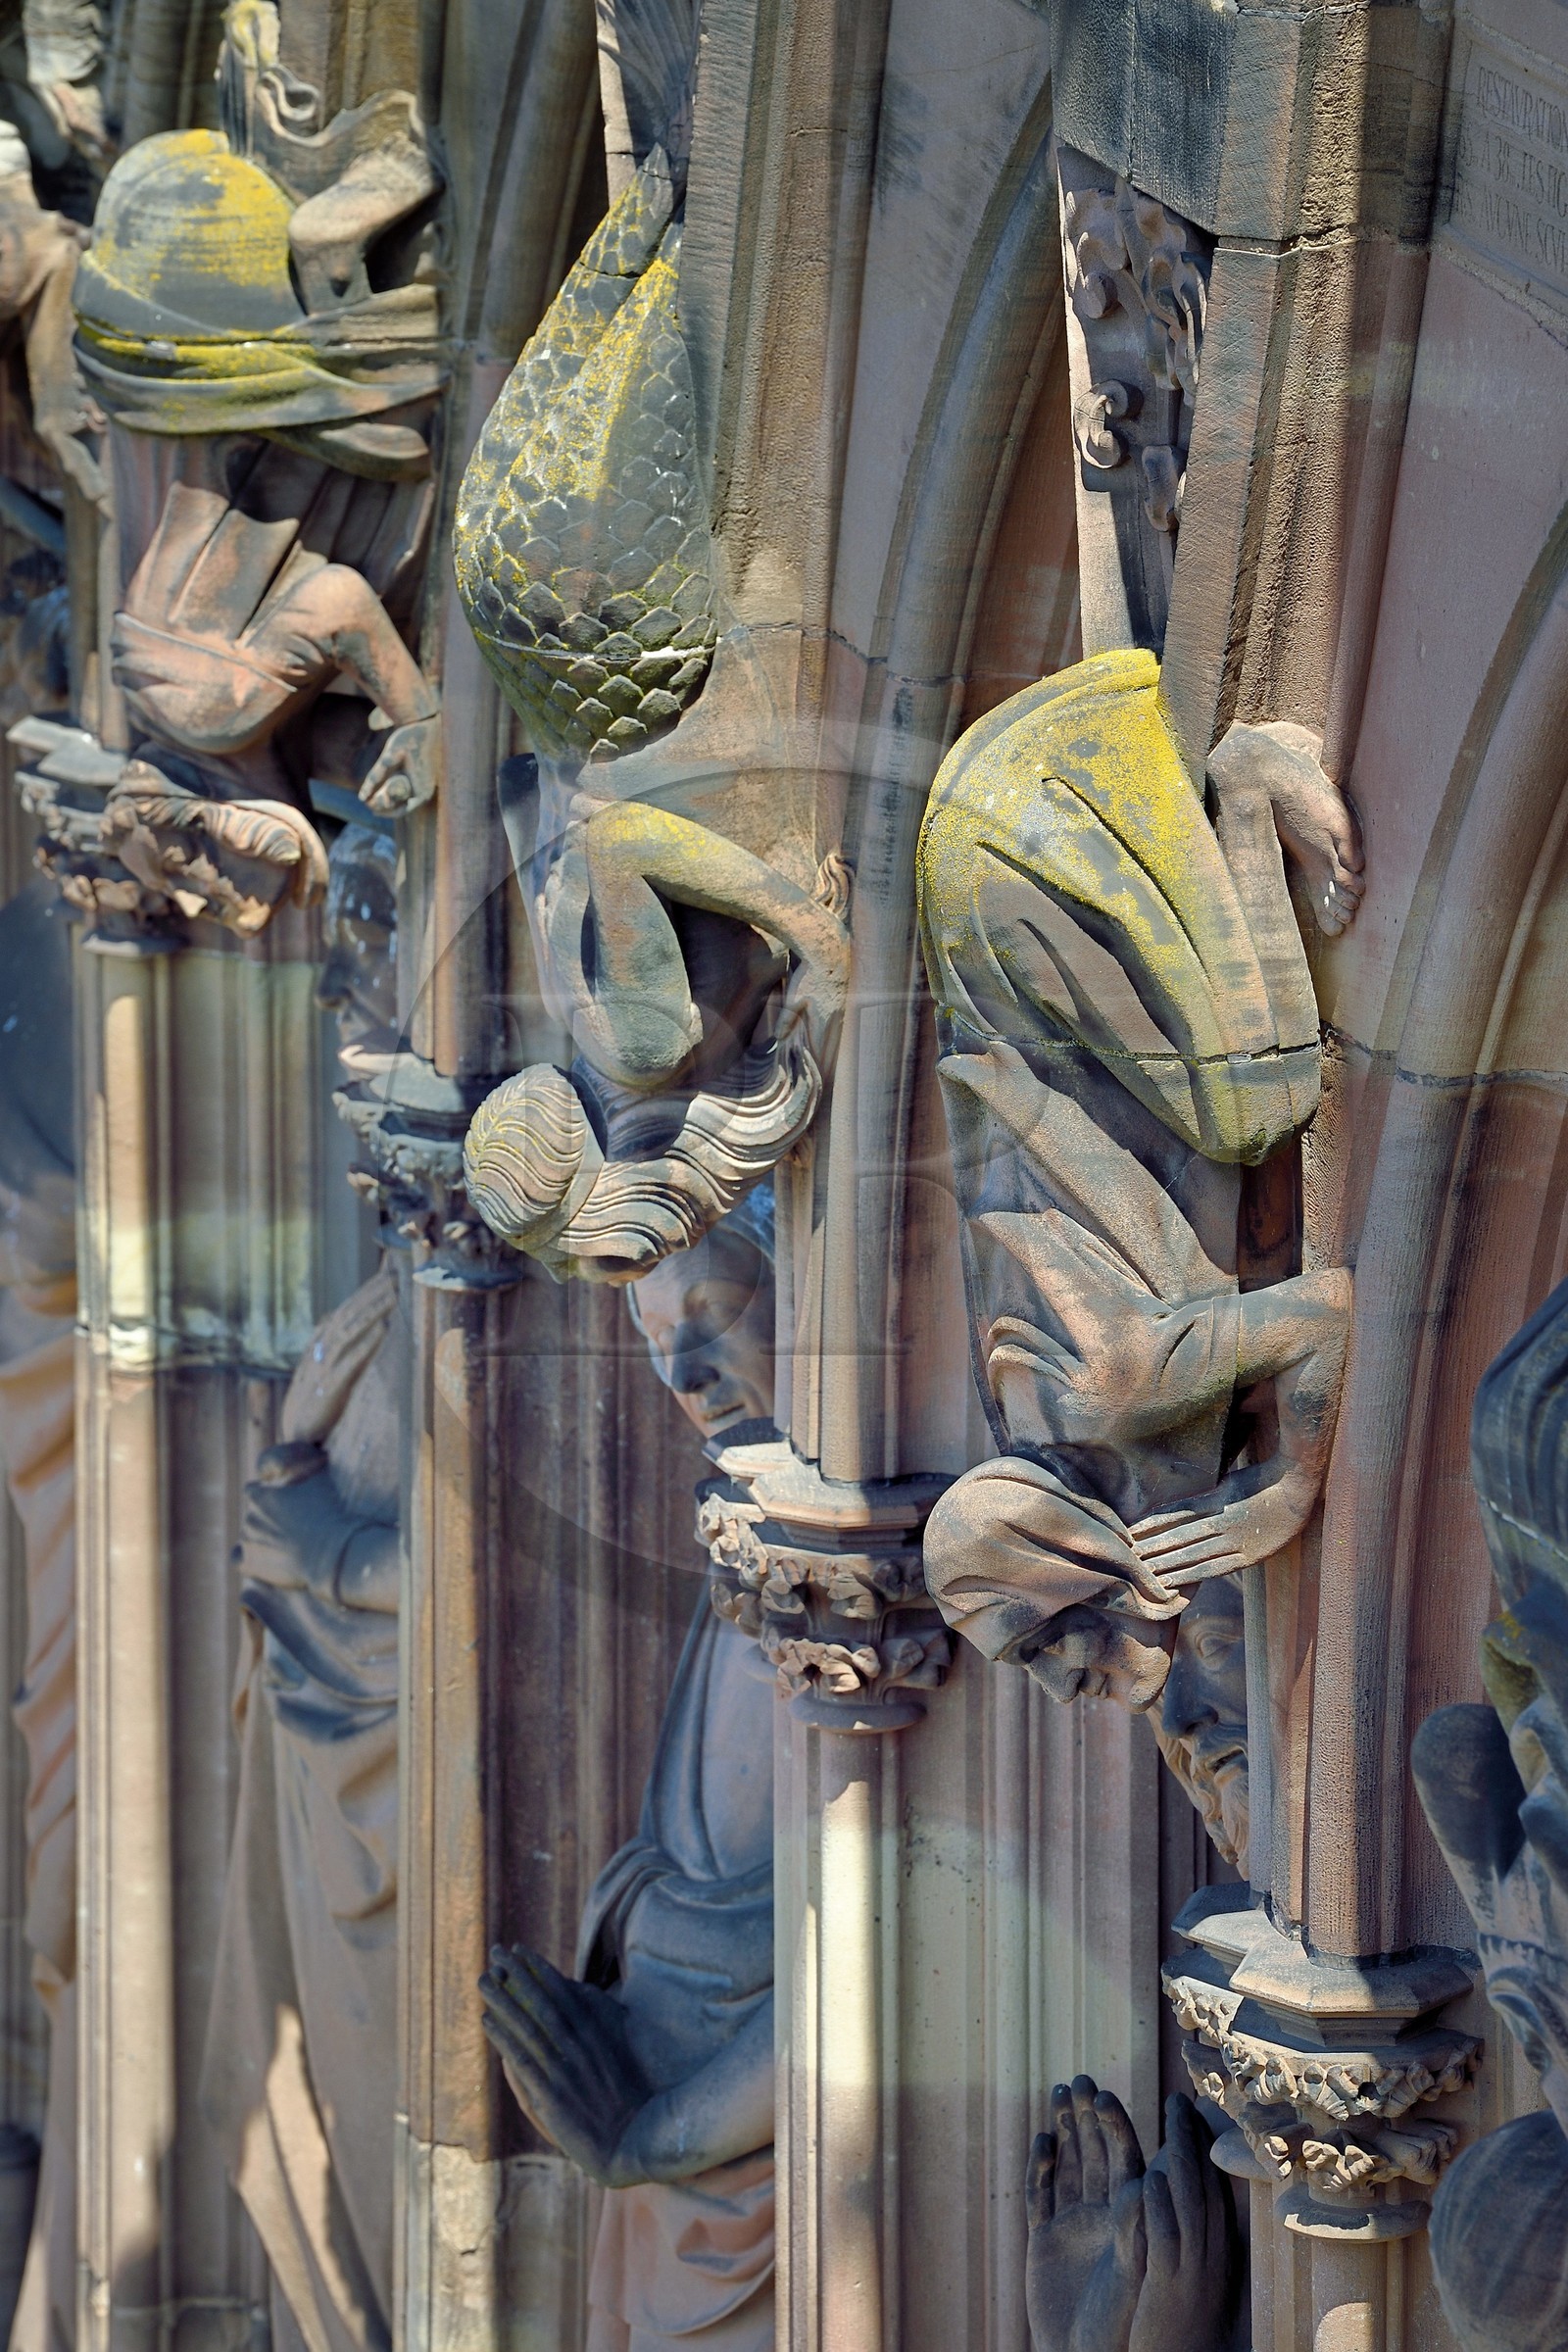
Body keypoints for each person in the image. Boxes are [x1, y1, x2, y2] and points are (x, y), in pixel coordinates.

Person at [481, 1191, 778, 2352]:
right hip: (670, 2145)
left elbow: (890, 1959)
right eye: (656, 1341)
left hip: (734, 2160)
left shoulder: (888, 1583)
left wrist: (644, 2136)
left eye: (712, 1311)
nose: (685, 1376)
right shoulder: (749, 1541)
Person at [201, 822, 403, 2352]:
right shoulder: (380, 1304)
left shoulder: (506, 1314)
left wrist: (318, 1551)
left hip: (405, 1771)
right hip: (338, 1735)